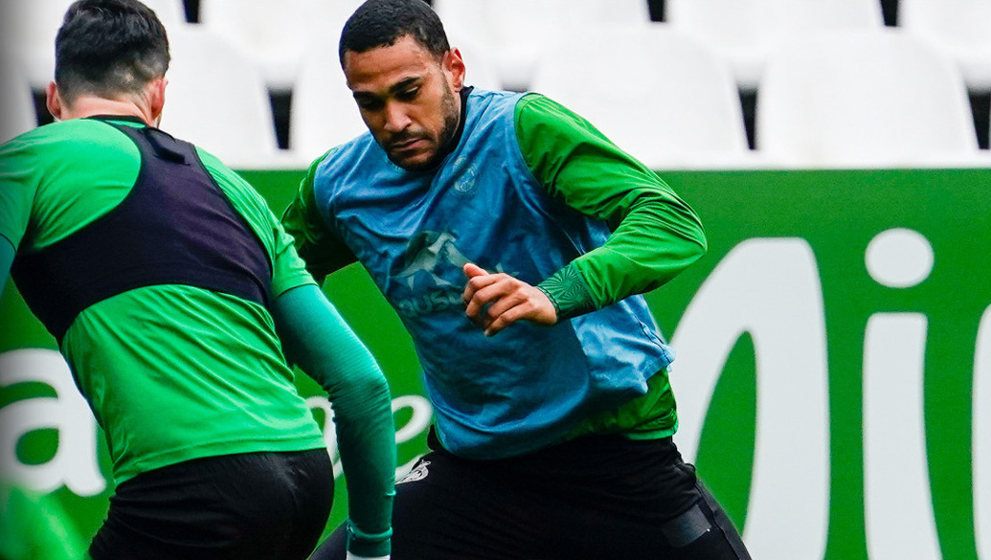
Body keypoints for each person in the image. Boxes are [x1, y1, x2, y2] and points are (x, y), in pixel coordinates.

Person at [285, 0, 752, 558]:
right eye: (370, 103)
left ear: (453, 68)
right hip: (474, 475)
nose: (395, 121)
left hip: (615, 460)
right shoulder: (339, 186)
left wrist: (552, 294)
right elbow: (263, 277)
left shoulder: (522, 129)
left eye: (410, 91)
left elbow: (670, 224)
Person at [0, 1, 395, 559]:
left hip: (191, 490)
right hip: (304, 479)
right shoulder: (236, 190)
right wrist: (372, 547)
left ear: (53, 97)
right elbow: (362, 384)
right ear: (158, 95)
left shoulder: (26, 161)